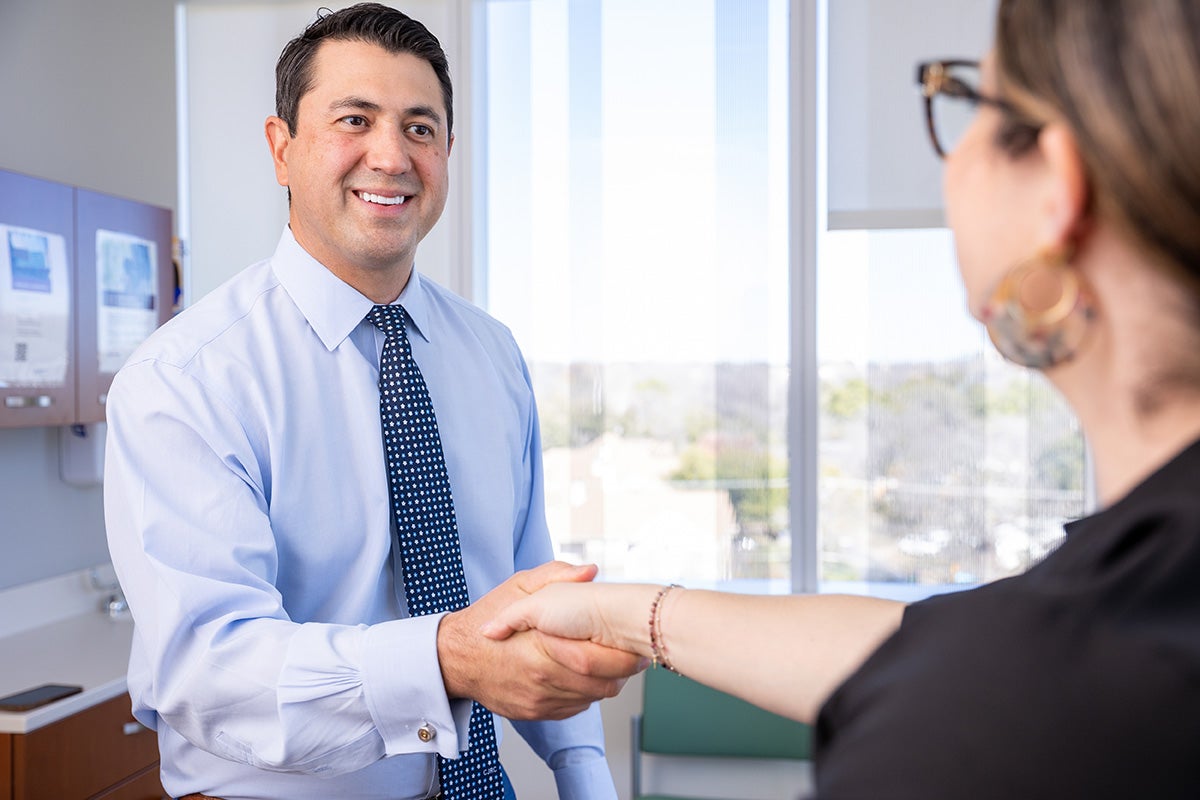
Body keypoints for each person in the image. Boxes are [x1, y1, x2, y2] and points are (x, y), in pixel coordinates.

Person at [483, 0, 1200, 797]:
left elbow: (991, 672)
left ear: (1057, 192)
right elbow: (939, 645)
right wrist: (631, 614)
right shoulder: (1131, 606)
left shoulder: (974, 737)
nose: (952, 157)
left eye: (970, 105)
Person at [103, 5, 640, 799]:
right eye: (354, 119)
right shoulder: (184, 380)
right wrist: (443, 658)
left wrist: (582, 771)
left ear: (448, 153)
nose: (390, 155)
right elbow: (212, 668)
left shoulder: (491, 355)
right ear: (281, 149)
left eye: (420, 128)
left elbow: (528, 588)